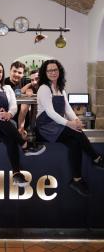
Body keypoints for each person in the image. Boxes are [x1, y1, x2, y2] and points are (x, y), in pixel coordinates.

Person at [36, 59, 104, 197]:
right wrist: (69, 124)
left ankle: (76, 179)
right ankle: (97, 158)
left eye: (55, 70)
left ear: (59, 71)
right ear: (45, 72)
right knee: (77, 133)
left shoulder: (60, 88)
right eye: (49, 70)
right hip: (45, 127)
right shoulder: (44, 88)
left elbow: (67, 108)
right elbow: (50, 112)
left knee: (75, 143)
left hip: (57, 124)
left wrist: (76, 119)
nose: (53, 72)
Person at [0, 60, 42, 187]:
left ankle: (17, 174)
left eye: (0, 71)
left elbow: (13, 106)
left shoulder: (7, 88)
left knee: (10, 138)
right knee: (5, 125)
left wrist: (9, 114)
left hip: (4, 122)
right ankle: (25, 145)